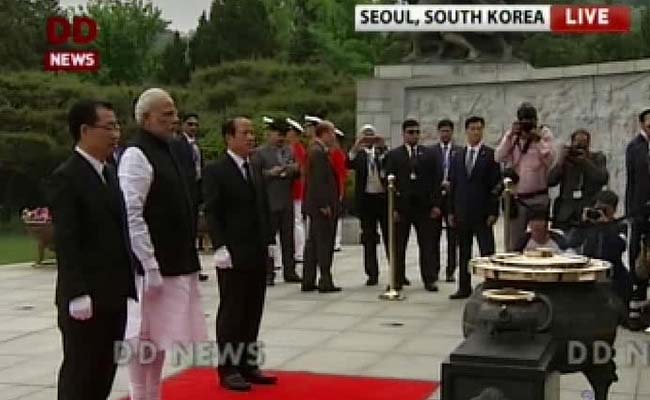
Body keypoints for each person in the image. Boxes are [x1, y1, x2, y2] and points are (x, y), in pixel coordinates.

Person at [119, 88, 207, 400]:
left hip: (176, 260)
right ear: (146, 119)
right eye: (166, 114)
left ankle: (153, 394)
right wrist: (148, 262)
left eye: (174, 113)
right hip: (150, 267)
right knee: (141, 338)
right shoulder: (136, 154)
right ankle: (138, 393)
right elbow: (131, 212)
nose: (175, 119)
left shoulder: (174, 149)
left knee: (160, 339)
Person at [48, 100, 137, 400]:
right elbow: (67, 239)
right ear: (85, 130)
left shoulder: (109, 172)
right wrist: (76, 293)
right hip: (86, 298)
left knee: (104, 370)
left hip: (113, 294)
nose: (116, 134)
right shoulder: (67, 176)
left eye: (117, 126)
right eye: (108, 127)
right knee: (80, 373)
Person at [203, 117, 277, 391]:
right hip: (233, 252)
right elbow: (212, 210)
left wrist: (269, 240)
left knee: (252, 309)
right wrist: (220, 246)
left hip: (256, 250)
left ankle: (248, 363)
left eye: (252, 133)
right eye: (244, 133)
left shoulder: (254, 167)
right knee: (232, 312)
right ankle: (228, 368)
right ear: (229, 137)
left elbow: (262, 206)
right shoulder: (216, 170)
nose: (250, 137)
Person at [384, 118, 443, 292]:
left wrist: (436, 205)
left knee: (427, 245)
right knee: (398, 246)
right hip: (402, 207)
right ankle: (396, 278)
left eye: (417, 132)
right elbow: (388, 182)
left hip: (424, 207)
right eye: (410, 132)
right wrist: (393, 207)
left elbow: (436, 180)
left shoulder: (429, 154)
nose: (414, 135)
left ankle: (429, 278)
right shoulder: (394, 155)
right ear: (403, 134)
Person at [448, 116, 501, 299]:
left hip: (482, 213)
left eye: (479, 128)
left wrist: (493, 211)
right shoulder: (458, 155)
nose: (476, 132)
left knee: (487, 251)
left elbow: (495, 187)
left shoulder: (490, 155)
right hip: (462, 212)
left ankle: (491, 285)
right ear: (466, 131)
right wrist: (451, 211)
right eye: (472, 128)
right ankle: (463, 287)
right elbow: (453, 185)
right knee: (464, 251)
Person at [495, 102, 556, 251]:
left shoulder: (543, 134)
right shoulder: (513, 136)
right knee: (514, 244)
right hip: (518, 199)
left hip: (539, 197)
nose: (527, 125)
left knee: (540, 241)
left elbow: (550, 160)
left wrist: (538, 141)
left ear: (536, 120)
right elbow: (498, 157)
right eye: (524, 121)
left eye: (530, 120)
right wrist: (510, 135)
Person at [567, 190, 632, 322]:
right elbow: (570, 242)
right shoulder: (589, 225)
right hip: (589, 272)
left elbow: (619, 247)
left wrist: (606, 225)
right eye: (598, 208)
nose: (599, 212)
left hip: (613, 275)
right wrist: (582, 224)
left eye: (604, 209)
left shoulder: (620, 226)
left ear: (613, 210)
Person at [252, 119, 302, 285]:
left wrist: (294, 170)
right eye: (278, 134)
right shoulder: (260, 153)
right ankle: (268, 272)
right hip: (269, 202)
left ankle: (290, 270)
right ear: (269, 134)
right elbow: (255, 177)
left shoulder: (289, 151)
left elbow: (297, 173)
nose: (281, 138)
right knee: (269, 240)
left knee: (288, 238)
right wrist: (270, 173)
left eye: (283, 135)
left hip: (286, 200)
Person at [302, 120, 343, 293]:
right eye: (332, 133)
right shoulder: (318, 152)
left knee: (313, 244)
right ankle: (325, 280)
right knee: (324, 243)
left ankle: (308, 279)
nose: (334, 136)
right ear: (324, 133)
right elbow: (318, 182)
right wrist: (324, 204)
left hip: (315, 205)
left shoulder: (315, 150)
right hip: (322, 206)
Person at [348, 124, 389, 286]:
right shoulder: (359, 155)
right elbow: (348, 163)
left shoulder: (381, 153)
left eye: (371, 135)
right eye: (366, 136)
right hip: (366, 201)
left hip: (382, 199)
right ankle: (372, 273)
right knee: (369, 238)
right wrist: (356, 146)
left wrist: (383, 146)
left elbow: (391, 163)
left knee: (390, 237)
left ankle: (396, 272)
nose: (369, 139)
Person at [549, 129, 608, 232]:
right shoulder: (566, 160)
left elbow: (602, 178)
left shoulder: (597, 158)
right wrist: (560, 160)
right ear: (571, 144)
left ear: (589, 145)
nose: (580, 149)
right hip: (566, 210)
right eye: (577, 146)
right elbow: (551, 181)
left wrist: (585, 161)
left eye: (583, 146)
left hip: (588, 208)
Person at [173, 112, 209, 281]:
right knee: (186, 230)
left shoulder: (196, 145)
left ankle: (195, 266)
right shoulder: (177, 144)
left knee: (194, 229)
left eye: (195, 124)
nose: (193, 127)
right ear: (182, 125)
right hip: (184, 190)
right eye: (190, 124)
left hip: (196, 190)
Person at [625, 108, 650, 331]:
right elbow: (631, 182)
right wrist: (631, 211)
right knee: (638, 258)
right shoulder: (635, 148)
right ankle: (636, 307)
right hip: (640, 212)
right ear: (642, 124)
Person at [431, 119, 461, 282]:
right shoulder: (431, 152)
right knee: (433, 237)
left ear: (452, 132)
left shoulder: (459, 151)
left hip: (453, 199)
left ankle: (450, 270)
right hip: (437, 198)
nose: (445, 134)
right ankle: (434, 270)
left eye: (448, 131)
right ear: (438, 132)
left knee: (453, 237)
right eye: (442, 131)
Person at [287, 117, 307, 263]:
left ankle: (300, 252)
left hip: (296, 188)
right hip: (292, 189)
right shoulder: (293, 147)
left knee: (296, 221)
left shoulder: (297, 148)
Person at [331, 128, 348, 252]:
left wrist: (340, 190)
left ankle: (336, 241)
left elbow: (341, 173)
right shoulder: (330, 152)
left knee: (337, 215)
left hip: (337, 186)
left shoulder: (338, 153)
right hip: (331, 187)